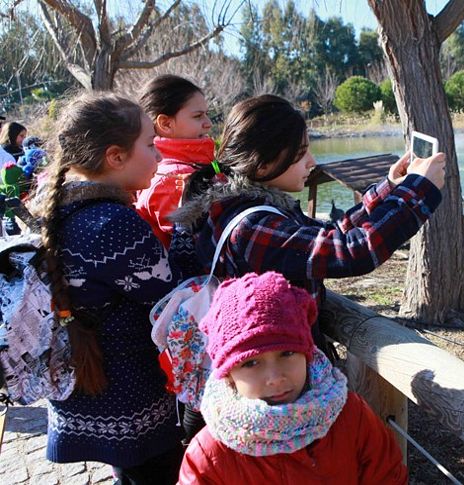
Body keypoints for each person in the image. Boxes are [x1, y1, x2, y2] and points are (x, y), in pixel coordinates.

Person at [169, 94, 444, 444]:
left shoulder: (244, 204)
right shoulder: (252, 228)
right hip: (272, 386)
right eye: (301, 153)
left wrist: (390, 188)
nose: (312, 162)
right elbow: (351, 251)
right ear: (266, 163)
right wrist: (418, 192)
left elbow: (327, 235)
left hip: (262, 373)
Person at [32, 93, 183, 484]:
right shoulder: (114, 223)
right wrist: (185, 234)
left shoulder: (59, 213)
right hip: (131, 393)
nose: (159, 156)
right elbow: (168, 294)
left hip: (90, 386)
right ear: (116, 157)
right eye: (150, 146)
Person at [178, 271, 407, 484]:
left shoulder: (351, 416)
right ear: (228, 375)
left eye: (287, 353)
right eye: (251, 362)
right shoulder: (210, 454)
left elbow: (388, 476)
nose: (275, 377)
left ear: (307, 354)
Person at [135, 74, 214, 248]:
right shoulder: (174, 180)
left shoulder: (192, 167)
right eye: (198, 116)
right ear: (166, 124)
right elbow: (202, 248)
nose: (208, 123)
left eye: (207, 114)